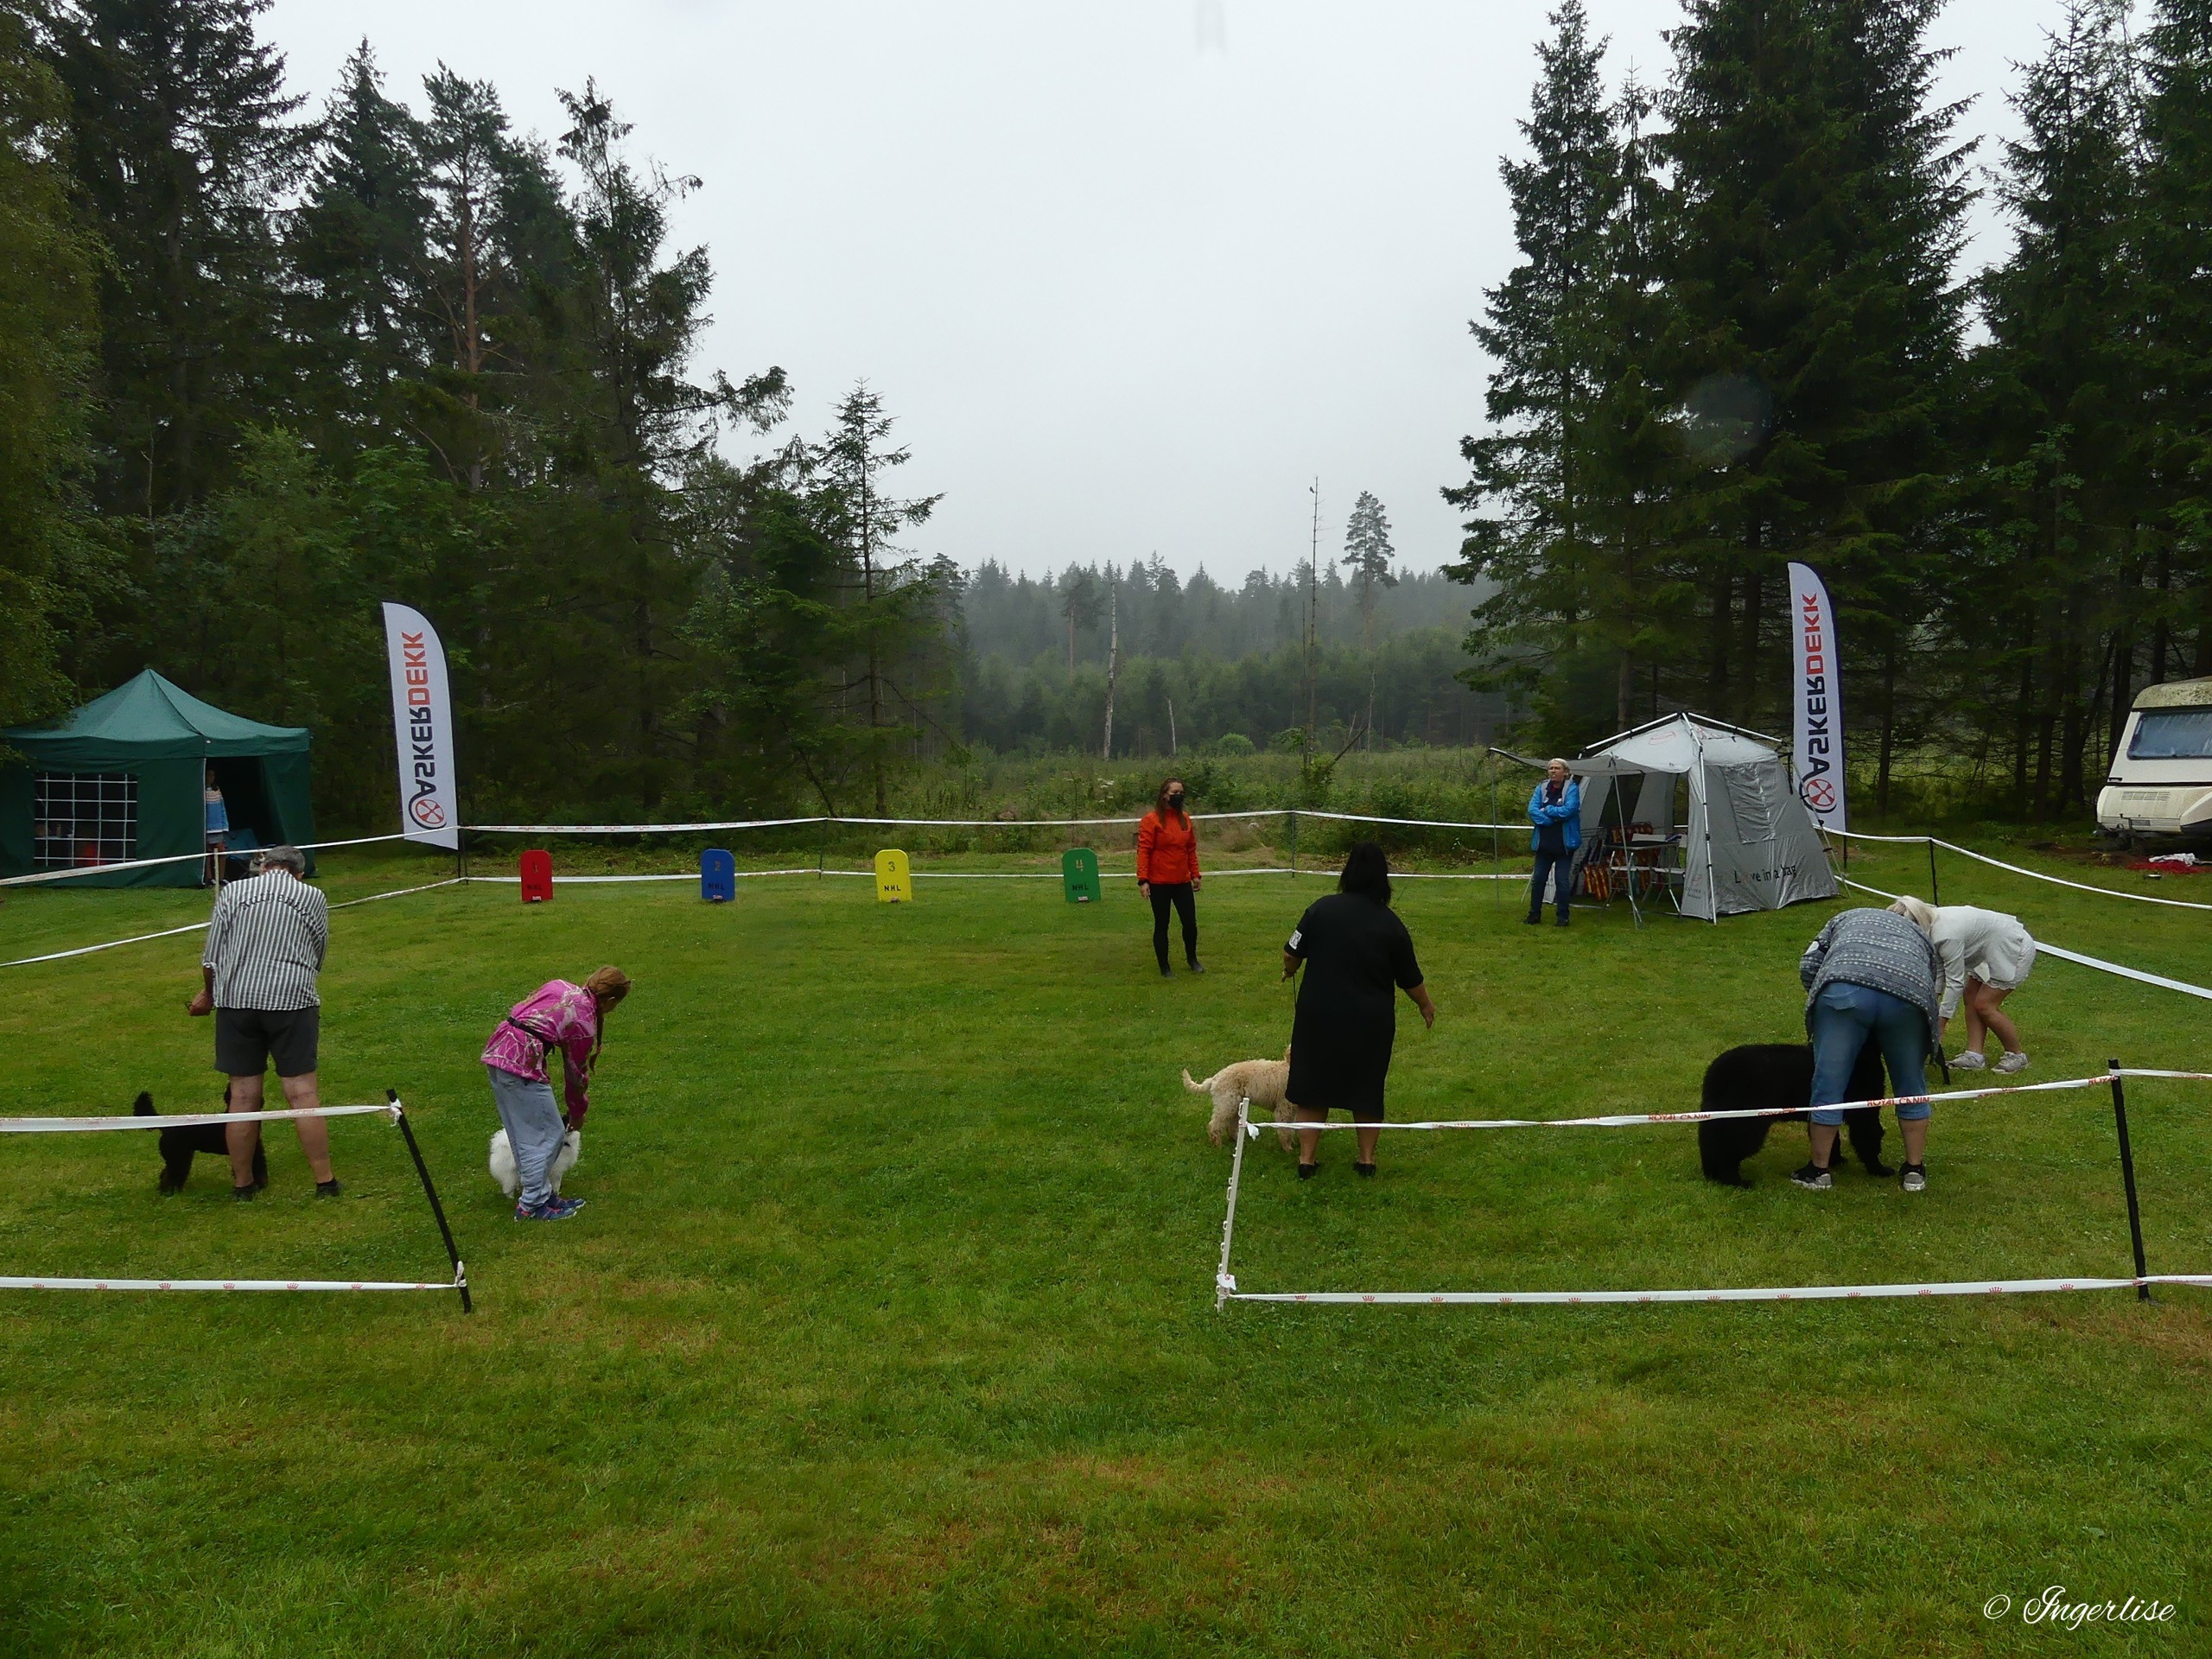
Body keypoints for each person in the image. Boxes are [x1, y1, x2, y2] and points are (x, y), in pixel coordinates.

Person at [185, 845, 338, 1199]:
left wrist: (208, 995)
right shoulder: (312, 896)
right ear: (299, 873)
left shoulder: (232, 892)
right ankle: (325, 1182)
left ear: (263, 866)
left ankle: (243, 1185)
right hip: (293, 1001)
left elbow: (211, 959)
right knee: (303, 1094)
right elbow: (318, 952)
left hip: (237, 1002)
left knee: (242, 1096)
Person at [1281, 842, 1437, 1179]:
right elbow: (1410, 978)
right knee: (1367, 1087)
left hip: (1318, 1015)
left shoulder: (1320, 909)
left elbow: (1291, 952)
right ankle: (1366, 1160)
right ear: (1383, 878)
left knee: (1312, 1085)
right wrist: (1425, 1005)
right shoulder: (1391, 924)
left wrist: (1289, 971)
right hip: (1369, 1021)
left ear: (1346, 873)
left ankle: (1306, 1159)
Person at [1796, 906, 1944, 1192]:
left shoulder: (1846, 917)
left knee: (1829, 1083)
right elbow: (1930, 979)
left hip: (1844, 989)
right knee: (1911, 1085)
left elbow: (1809, 963)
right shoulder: (1920, 936)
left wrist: (1820, 994)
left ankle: (1818, 1171)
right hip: (1908, 995)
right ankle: (1914, 1171)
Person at [480, 967, 632, 1220]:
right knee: (550, 1134)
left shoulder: (561, 986)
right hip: (521, 1064)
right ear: (611, 1000)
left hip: (499, 1051)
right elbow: (576, 1074)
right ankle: (531, 1205)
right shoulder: (583, 1020)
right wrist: (578, 1112)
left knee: (523, 1133)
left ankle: (543, 1194)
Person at [1888, 896, 2037, 1073]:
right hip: (1987, 947)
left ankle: (2016, 1055)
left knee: (1985, 1005)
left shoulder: (1946, 934)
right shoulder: (1930, 925)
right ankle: (1974, 1056)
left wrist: (1941, 1023)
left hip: (2012, 947)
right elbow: (1940, 970)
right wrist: (1931, 1005)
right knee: (1971, 996)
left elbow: (1955, 982)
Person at [1136, 777, 1204, 976]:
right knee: (1162, 924)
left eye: (1181, 793)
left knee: (1190, 923)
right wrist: (1143, 880)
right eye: (1175, 792)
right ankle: (1164, 966)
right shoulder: (1151, 820)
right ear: (1164, 795)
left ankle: (1192, 959)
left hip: (1182, 881)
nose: (1179, 796)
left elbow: (1190, 849)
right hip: (1159, 882)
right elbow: (1144, 851)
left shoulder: (1185, 819)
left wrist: (1195, 874)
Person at [1525, 758, 1580, 926]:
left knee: (1562, 881)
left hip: (1564, 844)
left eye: (1557, 768)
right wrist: (1549, 820)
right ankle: (1534, 914)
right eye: (1551, 768)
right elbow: (1532, 810)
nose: (1553, 771)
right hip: (1544, 843)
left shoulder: (1572, 788)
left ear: (1565, 772)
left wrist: (1547, 809)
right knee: (1538, 880)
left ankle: (1563, 917)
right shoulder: (1541, 788)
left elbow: (1569, 810)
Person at [202, 766, 229, 887]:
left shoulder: (217, 790)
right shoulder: (202, 790)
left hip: (218, 828)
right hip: (206, 828)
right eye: (208, 775)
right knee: (208, 854)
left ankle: (221, 878)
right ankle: (209, 878)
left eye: (212, 775)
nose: (210, 778)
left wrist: (225, 825)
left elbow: (222, 808)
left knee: (222, 853)